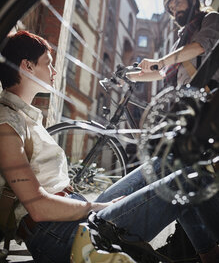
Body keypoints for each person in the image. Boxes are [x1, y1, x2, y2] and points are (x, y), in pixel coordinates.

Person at [0, 30, 218, 263]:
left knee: (164, 164)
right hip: (60, 238)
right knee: (186, 181)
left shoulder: (27, 118)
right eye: (48, 64)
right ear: (27, 66)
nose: (54, 71)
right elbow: (38, 207)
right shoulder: (7, 123)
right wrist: (98, 206)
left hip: (75, 214)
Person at [127, 0, 219, 89]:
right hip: (188, 95)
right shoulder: (180, 42)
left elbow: (199, 47)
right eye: (171, 9)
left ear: (193, 0)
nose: (175, 10)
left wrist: (160, 61)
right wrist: (129, 76)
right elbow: (163, 72)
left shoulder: (210, 18)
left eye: (178, 3)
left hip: (211, 91)